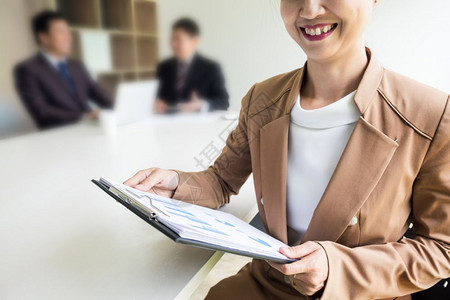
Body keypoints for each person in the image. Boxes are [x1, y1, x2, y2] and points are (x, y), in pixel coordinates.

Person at [124, 1, 450, 299]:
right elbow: (221, 180)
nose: (308, 9)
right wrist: (177, 182)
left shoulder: (431, 114)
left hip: (361, 293)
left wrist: (337, 268)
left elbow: (441, 247)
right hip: (267, 284)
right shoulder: (262, 98)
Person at [14, 10, 113, 130]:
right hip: (59, 134)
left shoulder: (77, 66)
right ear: (43, 37)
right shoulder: (27, 69)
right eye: (61, 32)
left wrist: (119, 107)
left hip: (89, 128)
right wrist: (84, 116)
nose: (69, 38)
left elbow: (97, 92)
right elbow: (41, 111)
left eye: (68, 32)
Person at [154, 18, 229, 113]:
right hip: (167, 123)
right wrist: (157, 102)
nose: (173, 44)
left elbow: (224, 102)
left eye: (178, 39)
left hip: (199, 124)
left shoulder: (211, 68)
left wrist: (201, 105)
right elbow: (156, 96)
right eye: (172, 39)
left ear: (194, 41)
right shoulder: (164, 67)